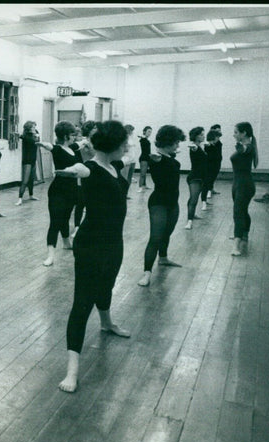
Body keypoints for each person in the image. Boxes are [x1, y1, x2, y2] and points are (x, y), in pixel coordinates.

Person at [53, 121, 132, 393]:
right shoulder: (92, 168)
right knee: (82, 302)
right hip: (91, 245)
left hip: (114, 243)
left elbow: (128, 159)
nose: (127, 147)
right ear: (112, 147)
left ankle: (108, 323)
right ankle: (72, 372)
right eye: (124, 144)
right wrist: (74, 168)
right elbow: (82, 169)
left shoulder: (115, 166)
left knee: (107, 286)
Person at [137, 125, 186, 287]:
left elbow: (167, 159)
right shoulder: (156, 156)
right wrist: (158, 157)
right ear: (168, 141)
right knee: (155, 237)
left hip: (173, 203)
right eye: (176, 142)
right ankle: (146, 273)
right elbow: (155, 158)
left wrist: (169, 155)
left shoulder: (168, 156)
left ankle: (163, 258)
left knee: (166, 234)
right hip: (158, 203)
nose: (178, 146)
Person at [42, 121, 80, 267]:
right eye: (72, 135)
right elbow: (50, 147)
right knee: (55, 221)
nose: (74, 137)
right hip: (58, 191)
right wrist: (43, 144)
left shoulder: (73, 149)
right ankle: (50, 255)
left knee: (65, 218)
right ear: (65, 136)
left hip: (72, 190)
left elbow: (81, 143)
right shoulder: (57, 149)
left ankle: (66, 242)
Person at [230, 122, 258, 256]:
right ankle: (244, 234)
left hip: (245, 185)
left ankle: (236, 245)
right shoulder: (245, 146)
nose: (234, 135)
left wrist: (239, 146)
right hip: (238, 184)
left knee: (238, 212)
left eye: (236, 132)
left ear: (244, 133)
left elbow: (244, 150)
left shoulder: (249, 147)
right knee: (242, 210)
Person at [15, 120, 40, 204]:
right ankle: (20, 198)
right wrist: (34, 135)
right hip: (27, 160)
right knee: (25, 180)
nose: (34, 128)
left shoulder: (35, 134)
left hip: (33, 159)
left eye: (34, 127)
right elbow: (32, 140)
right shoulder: (26, 136)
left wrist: (35, 134)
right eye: (33, 127)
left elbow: (37, 140)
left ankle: (31, 195)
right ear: (29, 128)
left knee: (31, 179)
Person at [204, 126, 222, 202]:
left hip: (217, 163)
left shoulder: (218, 143)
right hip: (211, 164)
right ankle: (208, 190)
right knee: (210, 177)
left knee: (213, 176)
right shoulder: (209, 145)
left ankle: (210, 189)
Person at [137, 126, 152, 192]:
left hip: (148, 158)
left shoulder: (147, 139)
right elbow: (140, 138)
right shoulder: (142, 139)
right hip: (143, 158)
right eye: (148, 131)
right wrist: (142, 136)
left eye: (150, 132)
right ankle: (140, 187)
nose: (150, 133)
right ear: (144, 132)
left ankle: (144, 185)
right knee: (142, 173)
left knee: (145, 173)